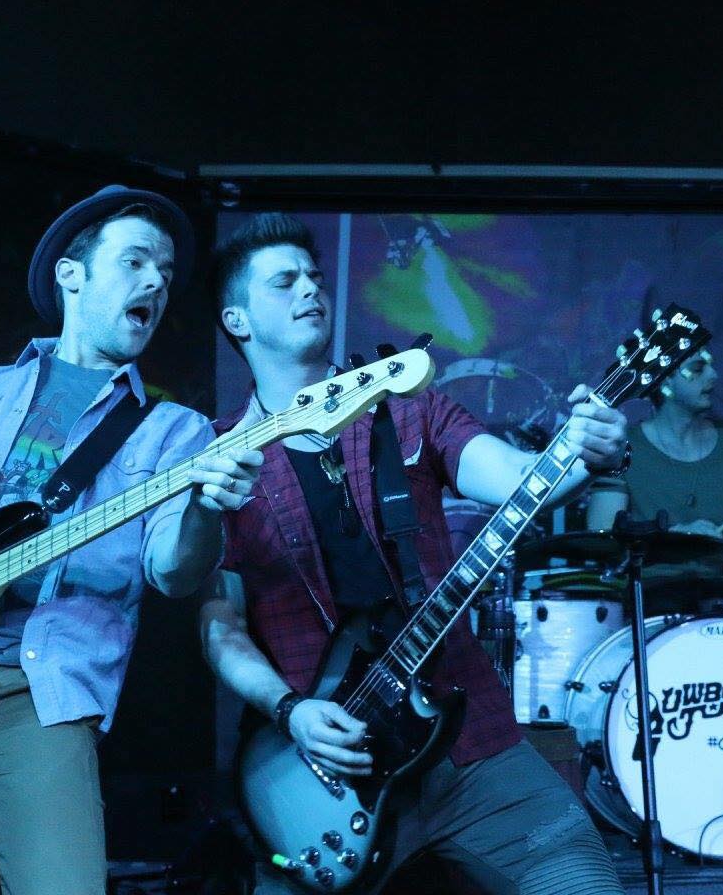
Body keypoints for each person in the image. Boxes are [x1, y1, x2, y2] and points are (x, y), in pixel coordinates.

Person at [0, 186, 262, 895]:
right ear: (72, 274)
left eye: (164, 274)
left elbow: (173, 572)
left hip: (33, 693)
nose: (156, 283)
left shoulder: (175, 432)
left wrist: (205, 508)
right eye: (134, 262)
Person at [199, 212, 629, 894]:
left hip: (469, 741)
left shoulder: (405, 406)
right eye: (284, 282)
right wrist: (289, 711)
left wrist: (586, 451)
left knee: (585, 883)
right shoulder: (222, 460)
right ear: (238, 320)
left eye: (315, 277)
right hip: (320, 768)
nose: (310, 288)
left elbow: (521, 480)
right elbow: (219, 623)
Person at [586, 348, 723, 536]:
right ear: (666, 380)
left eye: (710, 365)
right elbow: (603, 536)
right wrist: (675, 539)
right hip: (649, 560)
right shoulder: (620, 450)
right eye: (697, 368)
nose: (713, 374)